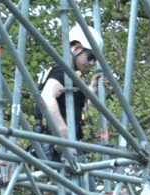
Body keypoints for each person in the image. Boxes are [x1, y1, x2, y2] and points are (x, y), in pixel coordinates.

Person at [34, 24, 104, 164]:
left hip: (70, 145)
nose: (92, 63)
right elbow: (47, 97)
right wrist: (61, 130)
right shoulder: (62, 72)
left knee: (86, 184)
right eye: (90, 57)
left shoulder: (71, 77)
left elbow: (78, 110)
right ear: (76, 48)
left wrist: (92, 88)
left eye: (95, 60)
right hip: (58, 147)